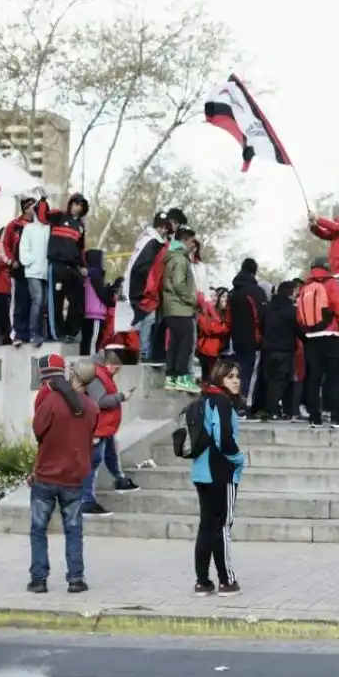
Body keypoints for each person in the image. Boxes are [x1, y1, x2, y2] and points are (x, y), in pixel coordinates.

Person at [28, 359, 99, 594]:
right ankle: (76, 579)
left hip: (47, 476)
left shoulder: (52, 400)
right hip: (74, 478)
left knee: (39, 529)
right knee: (74, 529)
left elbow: (38, 430)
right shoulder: (92, 408)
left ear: (74, 375)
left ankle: (39, 580)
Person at [191, 361, 247, 597]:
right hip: (220, 473)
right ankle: (226, 580)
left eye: (237, 376)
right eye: (229, 376)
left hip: (201, 472)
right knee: (222, 526)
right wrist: (238, 458)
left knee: (207, 527)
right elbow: (223, 438)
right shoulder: (222, 402)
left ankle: (202, 581)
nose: (235, 380)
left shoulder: (205, 399)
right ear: (219, 379)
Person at [81, 350, 139, 518]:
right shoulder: (96, 375)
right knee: (94, 463)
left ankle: (120, 481)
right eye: (116, 369)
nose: (116, 372)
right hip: (98, 427)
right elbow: (99, 401)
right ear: (109, 365)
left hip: (106, 427)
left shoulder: (100, 373)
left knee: (111, 454)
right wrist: (121, 396)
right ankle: (87, 502)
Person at [300, 259, 339, 428]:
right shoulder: (332, 283)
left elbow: (299, 314)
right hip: (331, 334)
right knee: (335, 377)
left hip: (311, 336)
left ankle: (314, 417)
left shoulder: (306, 286)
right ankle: (335, 416)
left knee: (314, 378)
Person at [121, 212, 171, 362]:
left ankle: (138, 352)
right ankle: (142, 353)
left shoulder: (143, 239)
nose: (164, 231)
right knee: (146, 319)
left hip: (132, 286)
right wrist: (146, 289)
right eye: (163, 228)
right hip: (141, 289)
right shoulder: (153, 242)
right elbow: (144, 267)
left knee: (140, 320)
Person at [43, 194, 89, 342]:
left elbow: (81, 249)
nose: (78, 208)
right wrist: (44, 200)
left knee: (78, 299)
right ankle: (57, 333)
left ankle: (71, 332)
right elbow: (43, 216)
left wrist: (83, 266)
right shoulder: (59, 217)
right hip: (57, 264)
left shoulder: (80, 226)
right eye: (76, 204)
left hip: (73, 267)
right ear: (70, 204)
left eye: (81, 206)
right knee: (56, 300)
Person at [161, 227, 200, 394]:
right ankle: (182, 377)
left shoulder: (172, 257)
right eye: (192, 241)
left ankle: (172, 377)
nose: (193, 244)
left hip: (172, 308)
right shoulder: (180, 259)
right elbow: (178, 283)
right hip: (181, 308)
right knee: (186, 343)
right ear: (184, 240)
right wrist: (192, 300)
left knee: (175, 344)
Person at [229, 258, 268, 406]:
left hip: (235, 337)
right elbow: (261, 315)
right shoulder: (256, 291)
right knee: (249, 373)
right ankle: (243, 403)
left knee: (236, 371)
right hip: (253, 338)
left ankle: (234, 401)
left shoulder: (233, 291)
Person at [261, 280, 301, 421]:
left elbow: (261, 326)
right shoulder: (291, 310)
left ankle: (272, 409)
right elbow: (299, 329)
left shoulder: (267, 308)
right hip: (284, 349)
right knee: (280, 381)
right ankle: (276, 411)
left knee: (270, 380)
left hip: (267, 348)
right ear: (290, 292)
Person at [3, 197, 38, 347]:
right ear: (25, 207)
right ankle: (17, 334)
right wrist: (11, 261)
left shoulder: (40, 225)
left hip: (35, 270)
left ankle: (31, 333)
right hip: (19, 271)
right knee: (19, 303)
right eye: (32, 206)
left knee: (34, 302)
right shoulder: (14, 225)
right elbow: (4, 245)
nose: (34, 209)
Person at [19, 204, 51, 346]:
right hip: (33, 271)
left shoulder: (50, 228)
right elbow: (24, 248)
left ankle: (42, 332)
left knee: (44, 303)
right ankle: (33, 334)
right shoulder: (29, 228)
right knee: (37, 300)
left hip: (46, 272)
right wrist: (30, 261)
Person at [309, 204, 339, 275]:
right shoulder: (337, 228)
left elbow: (334, 227)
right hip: (333, 263)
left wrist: (318, 219)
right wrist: (314, 227)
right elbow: (324, 234)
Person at [81, 249, 111, 355]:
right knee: (93, 342)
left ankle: (84, 365)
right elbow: (103, 294)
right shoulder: (96, 274)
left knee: (86, 341)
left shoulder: (87, 275)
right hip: (96, 314)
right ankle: (90, 365)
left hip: (87, 313)